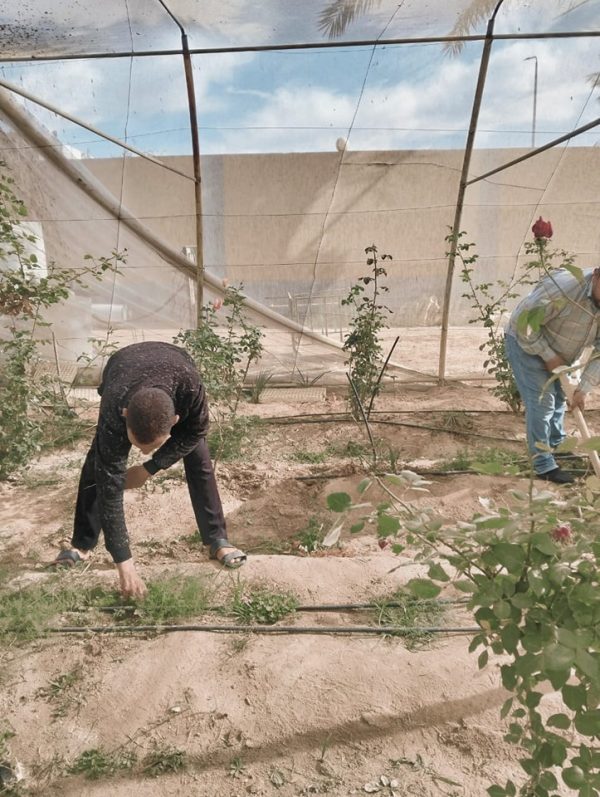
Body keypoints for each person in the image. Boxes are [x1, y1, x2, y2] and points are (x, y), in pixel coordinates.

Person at [52, 341, 246, 597]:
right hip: (122, 365)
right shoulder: (114, 405)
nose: (142, 452)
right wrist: (125, 564)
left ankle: (216, 538)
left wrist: (151, 467)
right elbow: (110, 491)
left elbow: (197, 430)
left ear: (176, 420)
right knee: (99, 464)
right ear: (125, 416)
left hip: (176, 364)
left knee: (199, 459)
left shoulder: (190, 389)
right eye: (136, 445)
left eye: (150, 447)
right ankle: (82, 544)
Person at [505, 262, 600, 484]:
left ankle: (557, 445)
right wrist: (548, 355)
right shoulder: (563, 289)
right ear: (596, 275)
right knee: (543, 402)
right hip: (524, 343)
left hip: (562, 348)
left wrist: (582, 389)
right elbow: (524, 325)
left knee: (559, 398)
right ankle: (543, 464)